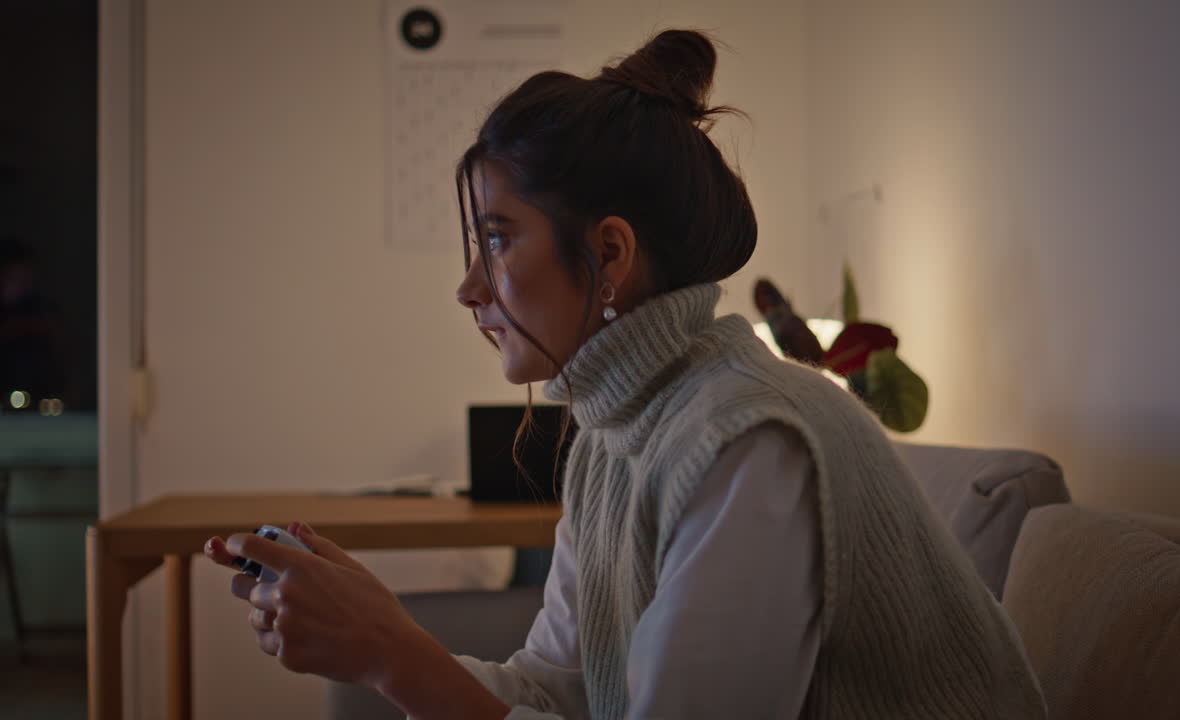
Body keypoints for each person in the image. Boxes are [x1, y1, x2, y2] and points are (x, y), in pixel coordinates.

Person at [205, 30, 1046, 719]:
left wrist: (392, 653)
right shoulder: (616, 435)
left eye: (496, 239)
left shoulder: (748, 441)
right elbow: (558, 691)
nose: (468, 289)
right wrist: (386, 632)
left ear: (609, 252)